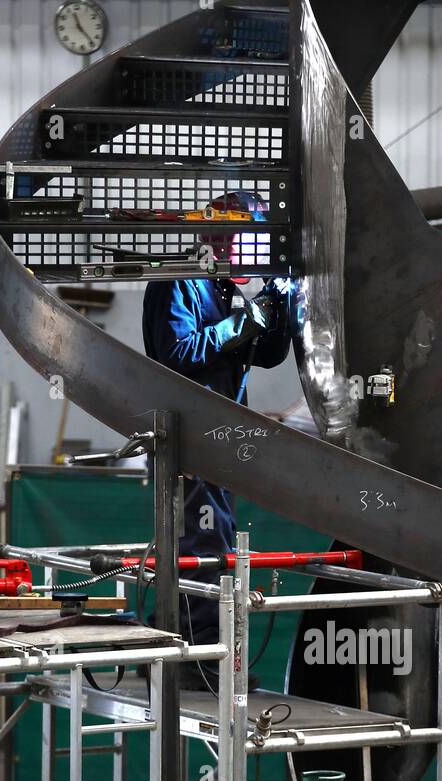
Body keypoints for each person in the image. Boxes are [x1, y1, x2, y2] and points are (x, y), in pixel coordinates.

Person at [142, 192, 292, 653]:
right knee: (201, 548)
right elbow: (176, 353)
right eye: (240, 239)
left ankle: (196, 647)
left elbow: (263, 355)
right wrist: (242, 324)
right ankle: (196, 656)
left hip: (218, 442)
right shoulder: (180, 280)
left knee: (214, 543)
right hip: (188, 443)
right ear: (216, 238)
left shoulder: (225, 288)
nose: (249, 251)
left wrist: (275, 310)